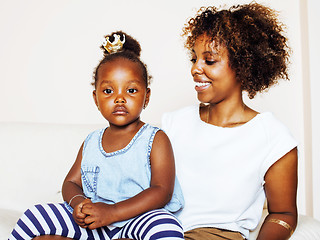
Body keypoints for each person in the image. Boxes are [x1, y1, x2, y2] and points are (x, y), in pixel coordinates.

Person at [9, 31, 184, 240]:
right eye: (109, 91)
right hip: (93, 223)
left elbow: (162, 190)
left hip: (137, 219)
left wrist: (113, 212)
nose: (120, 99)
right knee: (35, 215)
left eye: (131, 90)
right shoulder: (92, 141)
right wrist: (79, 204)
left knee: (165, 225)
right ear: (96, 98)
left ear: (147, 96)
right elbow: (71, 183)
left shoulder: (154, 139)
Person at [162, 2, 298, 240]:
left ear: (243, 66)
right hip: (159, 231)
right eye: (194, 59)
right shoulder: (173, 124)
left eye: (209, 61)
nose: (195, 68)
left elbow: (284, 213)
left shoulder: (272, 137)